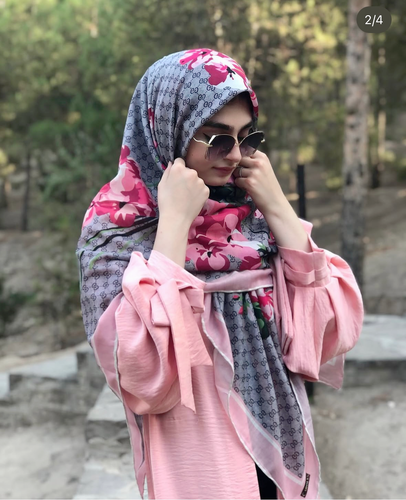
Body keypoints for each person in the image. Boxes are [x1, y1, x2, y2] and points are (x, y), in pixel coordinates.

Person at [76, 48, 364, 500]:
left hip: (279, 450)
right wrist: (173, 227)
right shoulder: (117, 228)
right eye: (215, 138)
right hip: (201, 466)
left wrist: (279, 209)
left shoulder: (253, 218)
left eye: (246, 138)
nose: (233, 156)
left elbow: (328, 335)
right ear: (168, 129)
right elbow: (140, 373)